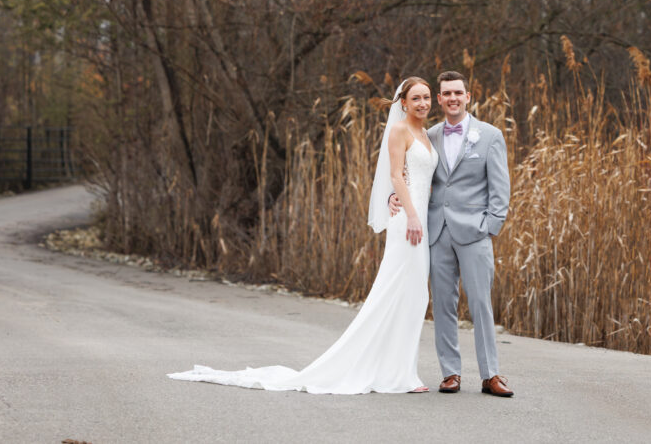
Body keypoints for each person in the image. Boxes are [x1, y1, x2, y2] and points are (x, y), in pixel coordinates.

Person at [168, 77, 438, 394]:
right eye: (416, 98)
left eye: (427, 97)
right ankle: (393, 375)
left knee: (414, 296)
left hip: (419, 220)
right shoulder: (399, 131)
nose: (423, 103)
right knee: (393, 293)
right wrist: (412, 215)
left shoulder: (426, 134)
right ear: (403, 102)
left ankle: (402, 371)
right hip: (408, 223)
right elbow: (395, 175)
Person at [390, 70, 513, 397]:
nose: (452, 98)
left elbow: (501, 189)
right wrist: (393, 197)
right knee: (442, 303)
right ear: (440, 99)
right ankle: (450, 373)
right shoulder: (428, 134)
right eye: (446, 94)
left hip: (475, 233)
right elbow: (410, 173)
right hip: (437, 232)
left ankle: (490, 375)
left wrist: (490, 227)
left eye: (458, 93)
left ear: (468, 96)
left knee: (481, 303)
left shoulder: (489, 136)